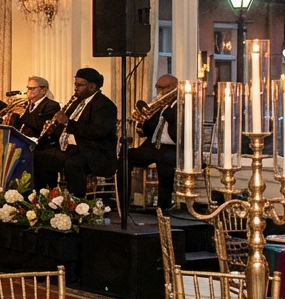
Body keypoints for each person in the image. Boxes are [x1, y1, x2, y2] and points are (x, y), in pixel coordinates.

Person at [33, 68, 119, 196]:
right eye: (75, 84)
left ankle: (76, 205)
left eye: (80, 85)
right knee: (38, 157)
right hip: (72, 149)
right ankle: (48, 197)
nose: (76, 88)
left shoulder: (105, 105)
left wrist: (67, 122)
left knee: (73, 163)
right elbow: (65, 128)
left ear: (92, 86)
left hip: (95, 151)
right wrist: (53, 130)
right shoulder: (76, 102)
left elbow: (97, 132)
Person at [129, 75, 179, 209]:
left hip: (173, 148)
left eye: (164, 88)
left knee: (164, 160)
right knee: (126, 156)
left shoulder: (183, 104)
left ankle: (164, 206)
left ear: (175, 87)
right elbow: (145, 133)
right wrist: (141, 121)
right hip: (153, 146)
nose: (160, 91)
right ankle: (125, 201)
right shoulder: (156, 105)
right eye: (158, 87)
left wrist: (167, 111)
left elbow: (179, 134)